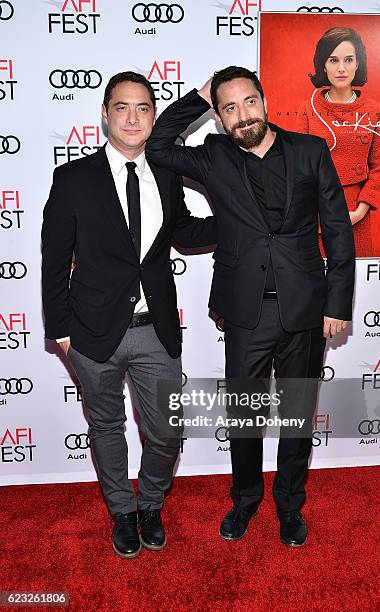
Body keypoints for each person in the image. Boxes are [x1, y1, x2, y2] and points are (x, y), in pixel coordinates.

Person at [146, 65, 355, 547]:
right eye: (229, 108)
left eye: (249, 102)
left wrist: (338, 301)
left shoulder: (309, 150)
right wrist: (198, 97)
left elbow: (338, 229)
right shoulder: (214, 156)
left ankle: (289, 506)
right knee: (244, 418)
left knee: (298, 415)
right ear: (218, 117)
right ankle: (244, 500)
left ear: (265, 101)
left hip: (306, 307)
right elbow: (158, 146)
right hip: (245, 312)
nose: (242, 116)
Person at [41, 71, 216, 559]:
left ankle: (152, 503)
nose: (133, 117)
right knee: (105, 427)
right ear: (105, 113)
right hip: (92, 331)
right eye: (122, 107)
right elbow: (54, 260)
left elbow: (183, 231)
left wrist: (238, 222)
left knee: (165, 431)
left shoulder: (165, 170)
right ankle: (122, 510)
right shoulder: (73, 178)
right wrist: (61, 333)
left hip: (156, 330)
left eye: (143, 108)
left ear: (154, 116)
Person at [296, 27, 380, 258]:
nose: (341, 68)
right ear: (323, 64)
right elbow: (298, 169)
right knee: (315, 286)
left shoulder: (374, 110)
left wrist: (359, 212)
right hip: (316, 213)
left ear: (358, 63)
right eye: (333, 60)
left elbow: (379, 166)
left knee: (355, 287)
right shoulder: (308, 109)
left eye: (349, 59)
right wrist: (315, 217)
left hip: (356, 211)